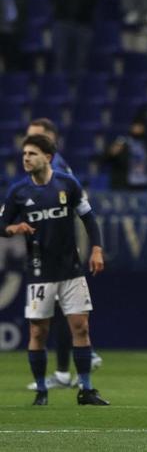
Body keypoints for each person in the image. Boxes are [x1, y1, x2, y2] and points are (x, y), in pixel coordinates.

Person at [0, 134, 109, 405]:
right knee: (38, 332)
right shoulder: (19, 192)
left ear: (47, 158)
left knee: (80, 327)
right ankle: (41, 391)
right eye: (24, 154)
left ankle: (86, 389)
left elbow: (89, 218)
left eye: (32, 154)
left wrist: (96, 249)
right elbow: (2, 225)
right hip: (40, 271)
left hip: (71, 269)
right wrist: (14, 228)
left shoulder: (68, 185)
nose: (26, 158)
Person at [24, 119, 103, 391]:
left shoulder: (54, 170)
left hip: (58, 249)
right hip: (55, 247)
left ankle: (65, 371)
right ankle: (65, 370)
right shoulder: (58, 165)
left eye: (36, 139)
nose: (29, 146)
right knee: (59, 311)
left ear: (50, 142)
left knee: (62, 311)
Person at [38, 0, 108, 75]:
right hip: (62, 22)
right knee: (60, 61)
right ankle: (60, 90)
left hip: (83, 24)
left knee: (81, 62)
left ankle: (78, 91)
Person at [103, 113, 147, 191]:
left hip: (143, 186)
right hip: (124, 187)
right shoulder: (122, 143)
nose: (137, 128)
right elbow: (105, 160)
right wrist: (111, 153)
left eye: (140, 126)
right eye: (135, 125)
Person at [0, 0, 28, 72]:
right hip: (1, 28)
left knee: (13, 62)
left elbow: (23, 6)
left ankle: (14, 84)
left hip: (15, 28)